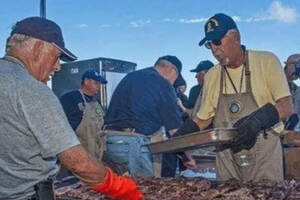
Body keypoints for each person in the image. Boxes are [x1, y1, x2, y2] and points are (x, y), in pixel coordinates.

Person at [0, 17, 142, 200]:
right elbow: (78, 164)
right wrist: (120, 188)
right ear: (37, 48)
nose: (58, 67)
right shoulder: (31, 89)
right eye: (57, 57)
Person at [177, 13, 294, 182]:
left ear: (236, 37)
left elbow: (285, 106)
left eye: (217, 42)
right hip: (227, 157)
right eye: (209, 45)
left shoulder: (266, 61)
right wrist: (179, 139)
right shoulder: (213, 75)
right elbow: (203, 119)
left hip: (264, 154)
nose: (214, 49)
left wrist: (256, 122)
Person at [104, 55, 194, 177]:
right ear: (173, 70)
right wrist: (186, 157)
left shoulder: (131, 76)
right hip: (134, 147)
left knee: (121, 190)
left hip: (111, 143)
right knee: (145, 190)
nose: (173, 83)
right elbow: (175, 131)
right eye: (175, 79)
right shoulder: (164, 84)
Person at [60, 69, 107, 162]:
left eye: (100, 84)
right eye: (96, 83)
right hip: (78, 154)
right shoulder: (70, 98)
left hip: (96, 153)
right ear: (86, 81)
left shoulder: (96, 102)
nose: (99, 86)